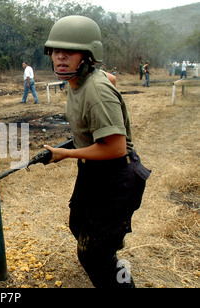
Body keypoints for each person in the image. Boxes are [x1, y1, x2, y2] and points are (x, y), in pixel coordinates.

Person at [43, 15, 151, 288]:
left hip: (117, 176)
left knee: (93, 254)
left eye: (69, 52)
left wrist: (65, 153)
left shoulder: (96, 90)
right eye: (56, 51)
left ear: (88, 56)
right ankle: (109, 246)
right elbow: (109, 77)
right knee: (78, 223)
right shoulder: (79, 80)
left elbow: (115, 148)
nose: (60, 58)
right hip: (93, 172)